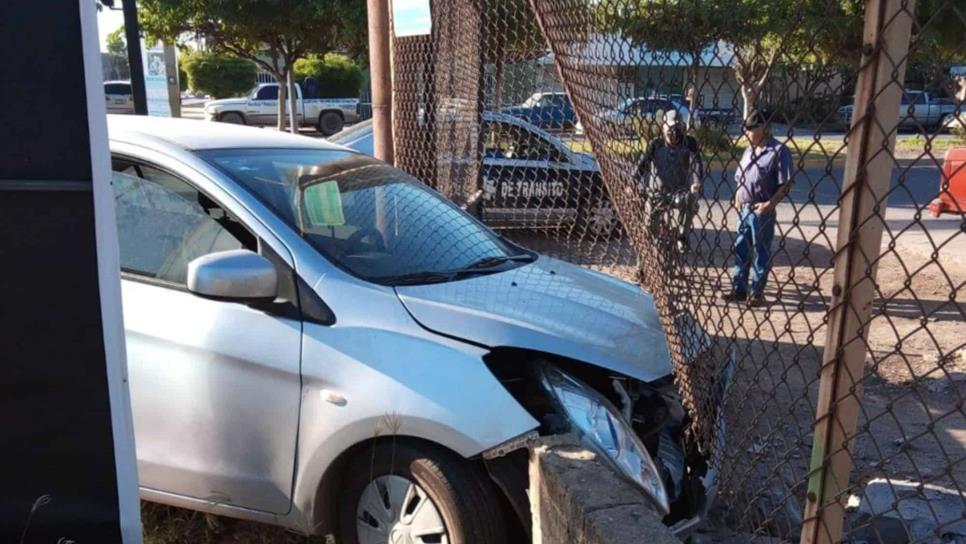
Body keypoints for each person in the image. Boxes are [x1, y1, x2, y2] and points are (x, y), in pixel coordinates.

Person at [722, 111, 793, 307]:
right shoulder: (748, 150)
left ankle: (757, 292)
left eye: (751, 130)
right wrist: (738, 193)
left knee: (761, 251)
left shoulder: (778, 151)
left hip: (762, 209)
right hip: (744, 208)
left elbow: (786, 183)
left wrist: (770, 204)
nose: (747, 134)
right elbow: (740, 176)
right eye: (745, 130)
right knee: (741, 248)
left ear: (763, 128)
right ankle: (739, 289)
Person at [635, 109, 703, 253]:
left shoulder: (689, 143)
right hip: (657, 192)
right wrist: (632, 184)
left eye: (677, 128)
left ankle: (682, 236)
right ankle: (649, 247)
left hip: (679, 191)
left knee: (690, 199)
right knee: (648, 224)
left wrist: (696, 182)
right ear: (663, 126)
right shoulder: (656, 144)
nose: (673, 132)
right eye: (670, 128)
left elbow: (696, 163)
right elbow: (641, 166)